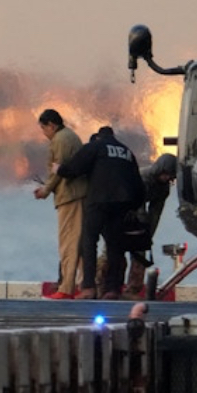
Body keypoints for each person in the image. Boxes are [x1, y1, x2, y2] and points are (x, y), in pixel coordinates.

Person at [56, 125, 145, 300]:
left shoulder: (96, 146)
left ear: (98, 136)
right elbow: (138, 186)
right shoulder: (127, 152)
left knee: (89, 241)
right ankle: (113, 289)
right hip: (121, 204)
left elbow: (74, 168)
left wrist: (59, 170)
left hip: (98, 201)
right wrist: (132, 207)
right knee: (115, 246)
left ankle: (89, 287)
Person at [34, 109, 88, 300]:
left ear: (51, 125)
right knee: (79, 244)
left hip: (70, 196)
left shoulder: (60, 139)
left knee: (69, 243)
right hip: (78, 194)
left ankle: (66, 288)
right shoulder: (70, 136)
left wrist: (46, 190)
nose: (44, 133)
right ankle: (84, 284)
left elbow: (59, 169)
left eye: (43, 128)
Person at [123, 153, 177, 298]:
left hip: (138, 216)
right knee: (113, 251)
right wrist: (141, 225)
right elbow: (138, 204)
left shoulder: (164, 188)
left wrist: (148, 235)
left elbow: (156, 212)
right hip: (122, 210)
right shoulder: (142, 177)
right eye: (166, 174)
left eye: (170, 176)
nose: (167, 178)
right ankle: (106, 286)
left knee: (140, 253)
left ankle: (133, 290)